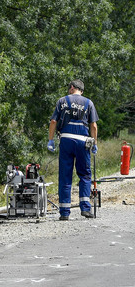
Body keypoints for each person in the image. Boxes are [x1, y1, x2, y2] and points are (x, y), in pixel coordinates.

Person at [47, 79, 99, 220]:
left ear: (71, 88)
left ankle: (64, 213)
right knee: (85, 175)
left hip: (66, 140)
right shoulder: (89, 103)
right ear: (81, 91)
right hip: (83, 142)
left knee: (65, 176)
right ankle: (86, 209)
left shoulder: (62, 101)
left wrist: (50, 140)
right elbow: (93, 126)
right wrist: (94, 143)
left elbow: (53, 122)